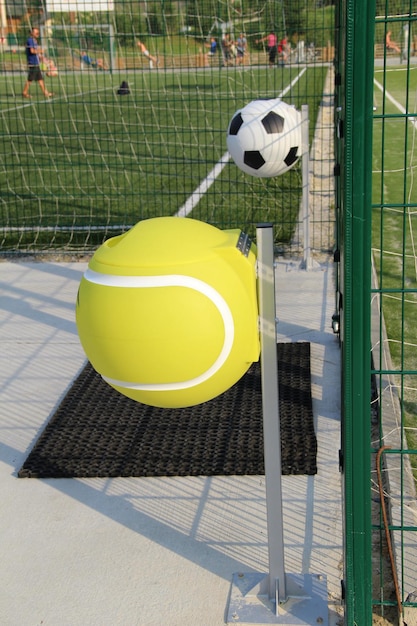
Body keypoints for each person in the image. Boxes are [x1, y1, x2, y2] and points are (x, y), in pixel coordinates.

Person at [22, 27, 54, 99]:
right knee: (30, 79)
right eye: (36, 33)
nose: (38, 34)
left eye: (38, 33)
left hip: (36, 63)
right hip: (32, 63)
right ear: (32, 33)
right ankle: (24, 92)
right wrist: (40, 51)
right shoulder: (30, 40)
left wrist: (41, 57)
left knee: (40, 80)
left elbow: (36, 52)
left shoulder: (34, 41)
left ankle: (46, 93)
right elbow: (32, 51)